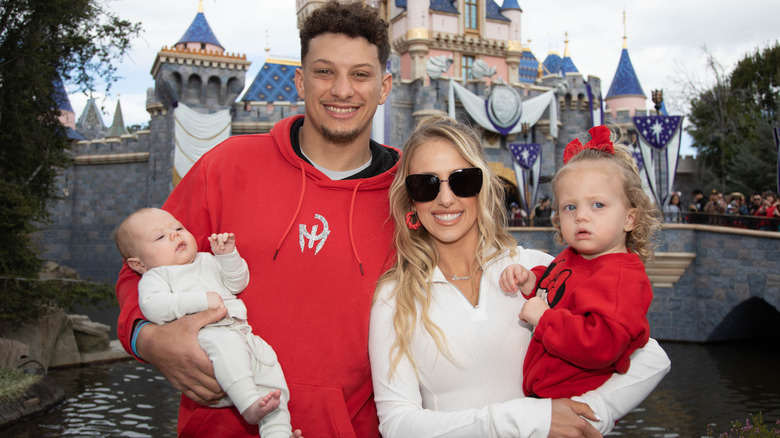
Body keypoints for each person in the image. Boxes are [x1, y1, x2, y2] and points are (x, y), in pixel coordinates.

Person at [115, 2, 398, 436]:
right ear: (300, 81)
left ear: (384, 87)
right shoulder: (227, 167)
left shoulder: (413, 193)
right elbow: (139, 266)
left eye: (361, 74)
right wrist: (147, 340)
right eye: (324, 72)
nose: (343, 90)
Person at [369, 116, 671, 437]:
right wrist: (528, 420)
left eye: (462, 180)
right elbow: (397, 425)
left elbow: (650, 357)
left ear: (482, 187)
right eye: (425, 184)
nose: (445, 199)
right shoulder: (395, 296)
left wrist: (585, 415)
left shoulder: (534, 270)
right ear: (411, 200)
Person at [498, 125, 662, 401]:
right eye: (570, 207)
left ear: (630, 218)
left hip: (572, 403)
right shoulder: (574, 256)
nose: (581, 216)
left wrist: (545, 319)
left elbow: (603, 345)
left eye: (597, 205)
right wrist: (531, 280)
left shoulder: (622, 277)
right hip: (543, 398)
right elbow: (558, 289)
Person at [114, 208, 295, 437]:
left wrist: (228, 256)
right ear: (138, 265)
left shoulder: (207, 259)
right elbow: (154, 307)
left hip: (242, 332)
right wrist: (201, 301)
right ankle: (248, 403)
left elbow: (236, 284)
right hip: (209, 335)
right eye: (160, 237)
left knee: (269, 369)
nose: (175, 235)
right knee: (229, 347)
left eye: (178, 228)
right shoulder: (156, 277)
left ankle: (278, 431)